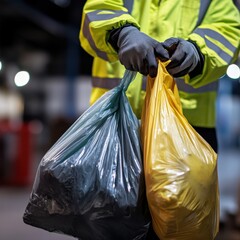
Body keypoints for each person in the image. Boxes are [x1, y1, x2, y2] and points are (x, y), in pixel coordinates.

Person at [79, 0, 240, 238]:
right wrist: (121, 33)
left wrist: (198, 51)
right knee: (105, 227)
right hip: (116, 130)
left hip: (186, 136)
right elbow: (96, 10)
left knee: (180, 230)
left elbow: (228, 28)